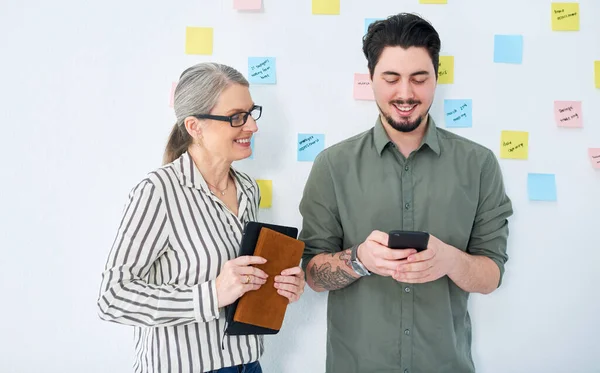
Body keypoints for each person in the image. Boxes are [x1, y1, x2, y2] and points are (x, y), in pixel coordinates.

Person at [298, 13, 513, 373]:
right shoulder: (332, 165)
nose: (405, 94)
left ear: (436, 78)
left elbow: (491, 276)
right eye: (391, 78)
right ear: (371, 80)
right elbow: (313, 275)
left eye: (419, 78)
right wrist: (360, 259)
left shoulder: (480, 164)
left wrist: (450, 260)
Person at [97, 62, 306, 373]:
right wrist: (212, 294)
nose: (252, 126)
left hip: (248, 364)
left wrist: (281, 286)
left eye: (251, 113)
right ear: (194, 126)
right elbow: (113, 297)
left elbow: (243, 279)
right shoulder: (158, 192)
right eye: (237, 117)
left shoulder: (248, 188)